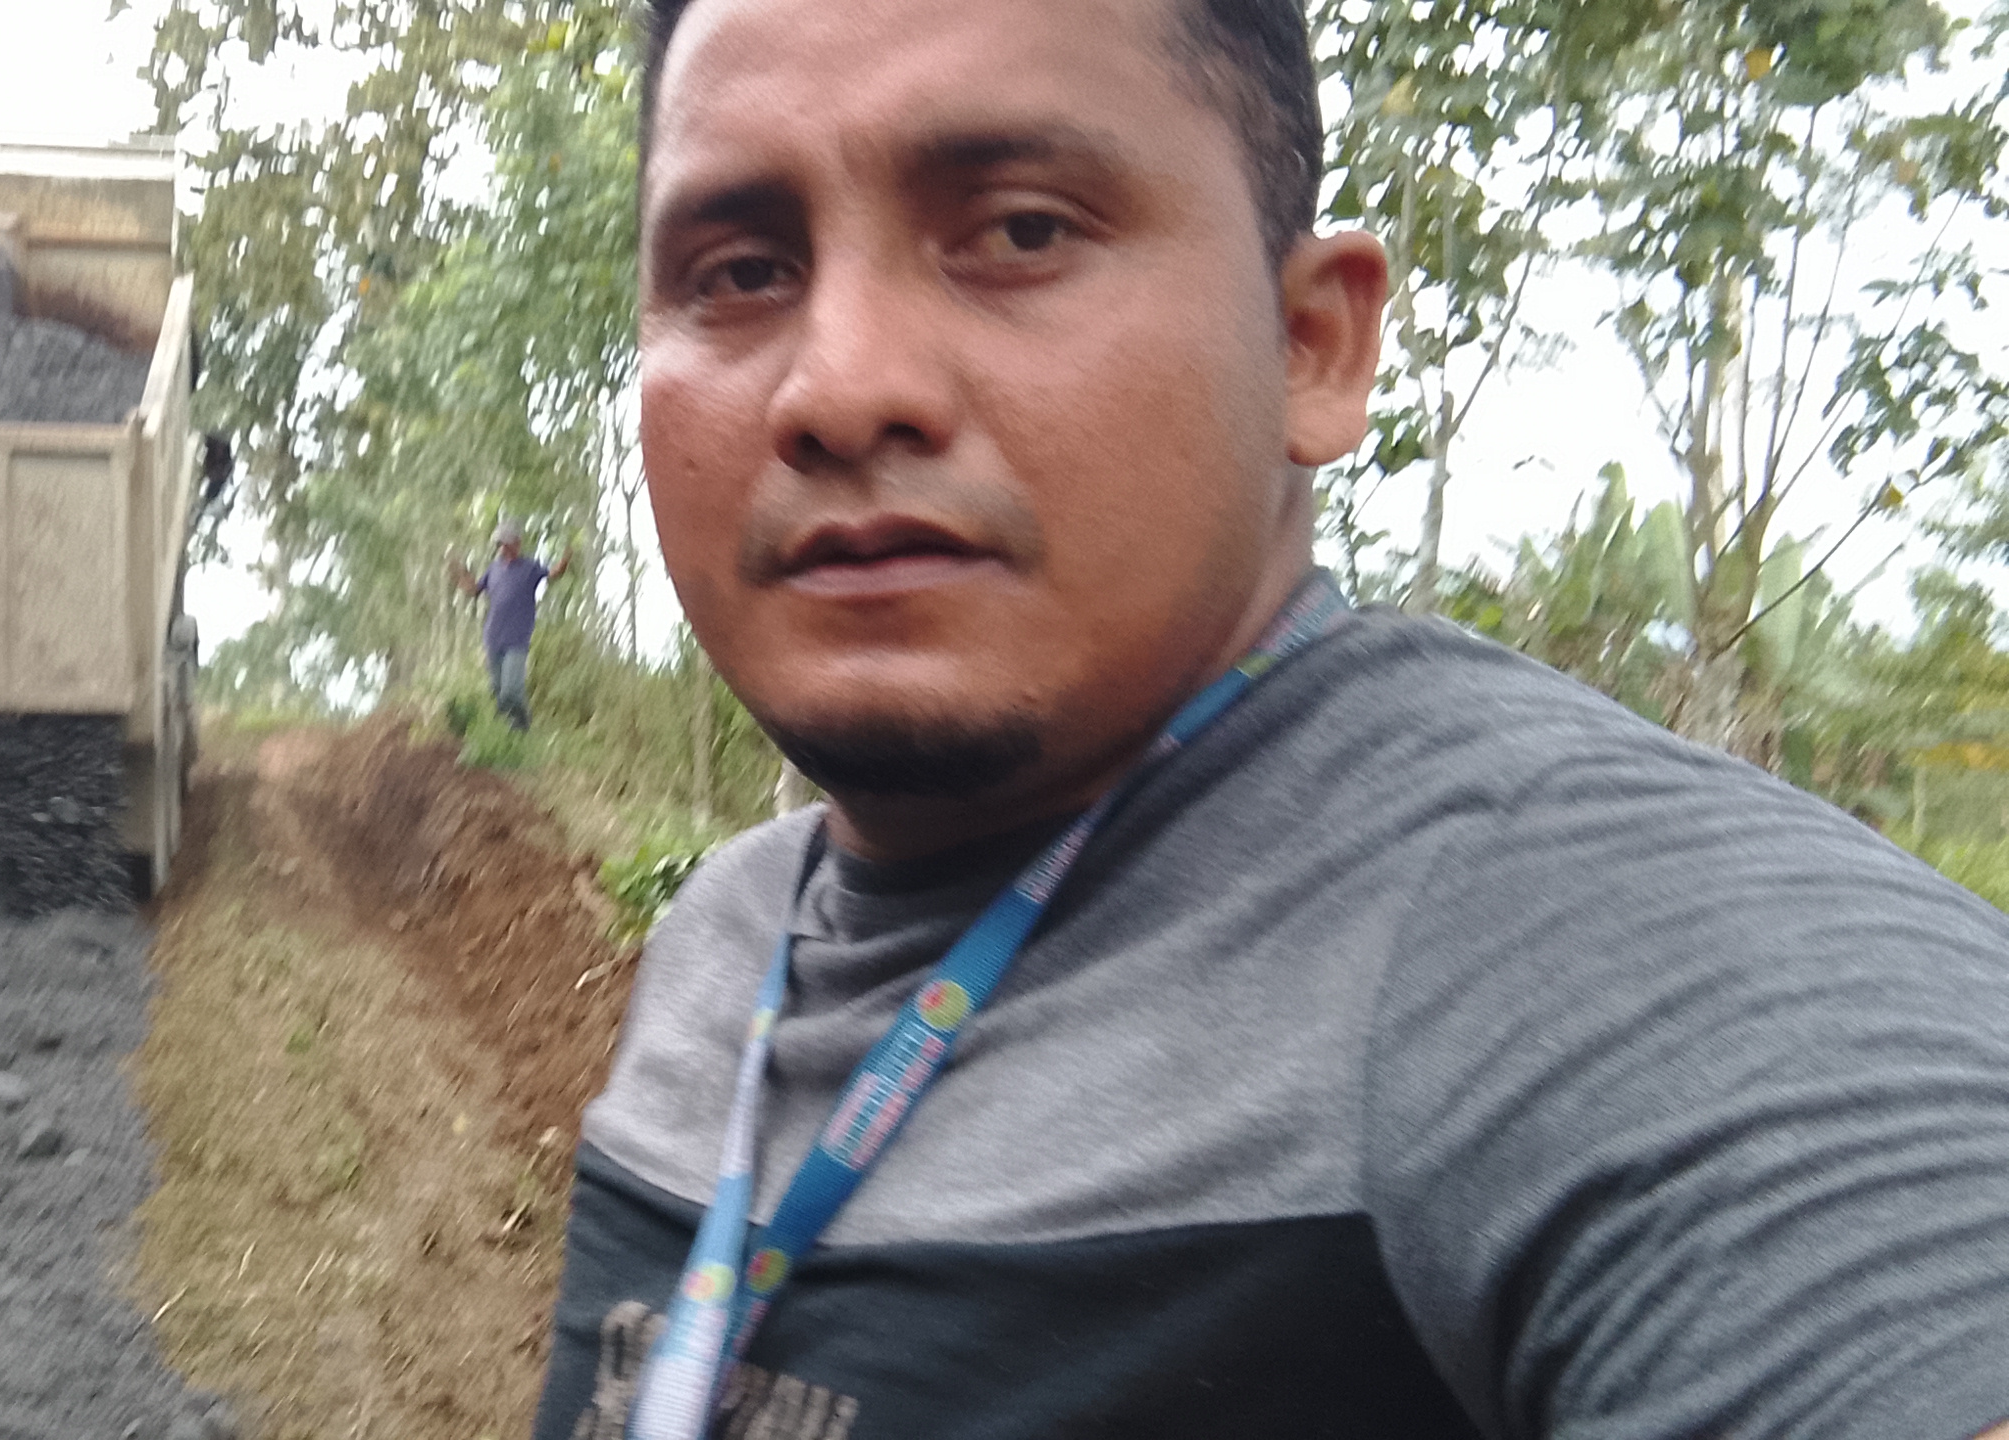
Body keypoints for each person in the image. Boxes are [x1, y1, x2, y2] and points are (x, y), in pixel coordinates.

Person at [536, 1, 2009, 1438]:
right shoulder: (723, 938)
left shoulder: (1579, 937)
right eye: (739, 271)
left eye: (1022, 231)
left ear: (1313, 346)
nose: (840, 387)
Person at [454, 520, 569, 731]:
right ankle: (509, 734)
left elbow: (552, 574)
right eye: (500, 543)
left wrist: (564, 561)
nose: (502, 547)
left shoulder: (529, 567)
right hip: (493, 638)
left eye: (506, 543)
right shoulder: (493, 569)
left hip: (517, 639)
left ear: (517, 543)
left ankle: (523, 726)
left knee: (511, 690)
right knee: (497, 692)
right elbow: (475, 590)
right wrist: (461, 576)